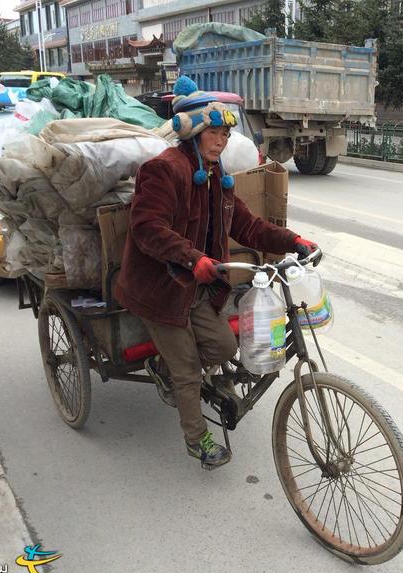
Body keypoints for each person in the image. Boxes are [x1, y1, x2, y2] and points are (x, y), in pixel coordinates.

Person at [114, 76, 318, 470]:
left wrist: (293, 240)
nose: (221, 140)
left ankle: (169, 367)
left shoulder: (217, 178)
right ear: (192, 131)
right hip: (160, 288)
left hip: (198, 289)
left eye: (225, 132)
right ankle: (197, 438)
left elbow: (248, 226)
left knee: (225, 348)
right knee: (188, 371)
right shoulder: (163, 169)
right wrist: (193, 259)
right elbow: (147, 229)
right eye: (213, 132)